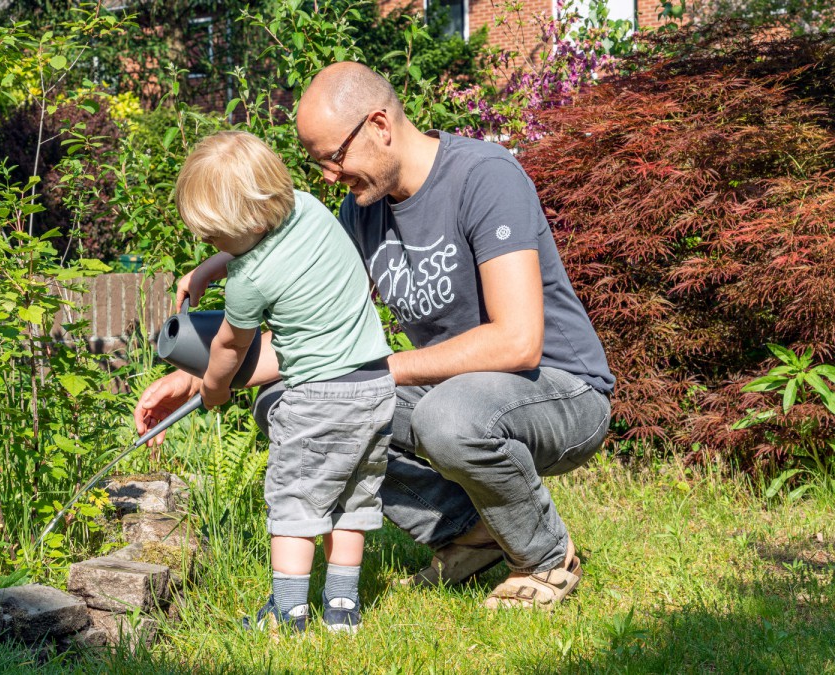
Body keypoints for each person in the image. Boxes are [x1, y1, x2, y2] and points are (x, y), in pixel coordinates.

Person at [139, 62, 613, 610]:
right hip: (455, 390)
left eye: (333, 158)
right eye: (317, 164)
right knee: (293, 407)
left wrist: (381, 370)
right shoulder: (361, 212)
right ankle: (468, 531)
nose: (328, 176)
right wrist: (196, 379)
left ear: (380, 125)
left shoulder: (484, 175)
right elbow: (311, 347)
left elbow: (517, 342)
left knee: (445, 418)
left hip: (560, 389)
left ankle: (545, 558)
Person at [174, 130, 396, 633]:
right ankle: (343, 610)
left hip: (317, 397)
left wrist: (214, 387)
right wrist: (212, 265)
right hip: (377, 385)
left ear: (249, 223)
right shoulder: (309, 209)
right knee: (352, 502)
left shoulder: (249, 281)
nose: (210, 245)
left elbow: (230, 347)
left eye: (214, 238)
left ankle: (288, 613)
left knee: (295, 504)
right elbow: (259, 242)